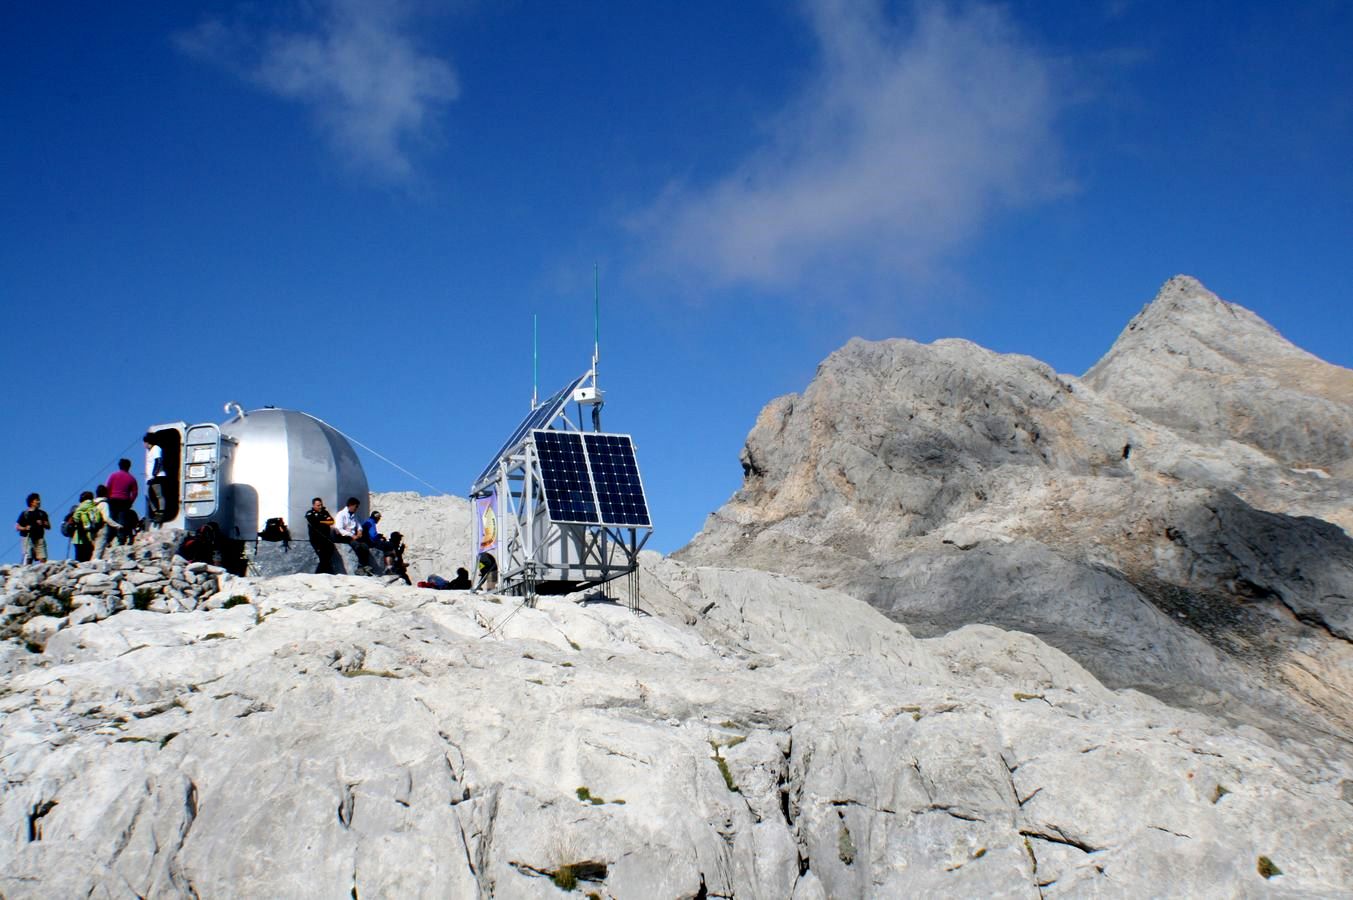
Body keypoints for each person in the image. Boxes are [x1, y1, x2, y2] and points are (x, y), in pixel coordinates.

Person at [333, 496, 373, 574]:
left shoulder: (354, 515)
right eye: (356, 506)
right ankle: (360, 567)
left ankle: (365, 565)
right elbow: (339, 529)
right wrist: (352, 535)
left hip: (352, 536)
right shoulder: (341, 514)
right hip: (344, 536)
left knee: (365, 546)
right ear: (350, 505)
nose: (356, 508)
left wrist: (359, 530)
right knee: (357, 545)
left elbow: (358, 525)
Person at [105, 459, 138, 544]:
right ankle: (121, 539)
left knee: (111, 519)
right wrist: (130, 502)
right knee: (122, 520)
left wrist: (108, 499)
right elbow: (135, 493)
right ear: (129, 466)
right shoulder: (131, 478)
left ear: (119, 466)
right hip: (124, 501)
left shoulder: (113, 476)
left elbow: (107, 488)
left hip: (113, 500)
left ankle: (108, 539)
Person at [15, 493, 52, 564]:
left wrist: (42, 523)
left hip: (39, 538)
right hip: (27, 537)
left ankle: (42, 569)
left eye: (39, 500)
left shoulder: (42, 513)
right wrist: (25, 528)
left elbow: (48, 526)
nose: (39, 502)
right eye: (37, 500)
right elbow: (17, 527)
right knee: (28, 557)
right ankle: (27, 569)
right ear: (31, 502)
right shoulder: (25, 513)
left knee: (43, 557)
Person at [305, 497, 337, 575]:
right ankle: (322, 572)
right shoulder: (310, 513)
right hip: (316, 539)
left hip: (326, 538)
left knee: (329, 552)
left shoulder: (325, 512)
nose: (320, 507)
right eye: (318, 505)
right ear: (313, 505)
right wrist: (325, 521)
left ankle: (323, 572)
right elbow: (314, 522)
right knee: (323, 556)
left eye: (321, 505)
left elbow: (332, 521)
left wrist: (321, 521)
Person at [91, 484, 123, 560]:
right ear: (106, 493)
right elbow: (106, 518)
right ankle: (94, 565)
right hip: (102, 528)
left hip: (92, 529)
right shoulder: (104, 504)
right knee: (98, 551)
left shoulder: (92, 504)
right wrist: (117, 525)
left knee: (94, 549)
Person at [143, 433, 167, 525]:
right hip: (150, 478)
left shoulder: (156, 448)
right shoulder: (149, 451)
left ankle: (161, 512)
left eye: (144, 442)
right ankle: (155, 511)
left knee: (158, 495)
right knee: (148, 494)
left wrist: (154, 473)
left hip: (157, 476)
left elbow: (158, 461)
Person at [72, 491, 100, 562]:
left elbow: (75, 518)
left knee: (79, 557)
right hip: (90, 536)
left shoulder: (79, 507)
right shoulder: (94, 506)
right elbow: (98, 520)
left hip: (78, 536)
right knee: (88, 557)